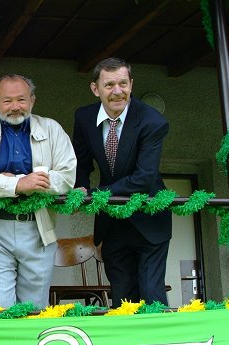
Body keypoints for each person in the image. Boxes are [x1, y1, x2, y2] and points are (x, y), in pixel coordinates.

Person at [0, 74, 76, 309]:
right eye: (7, 101)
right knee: (0, 308)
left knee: (34, 308)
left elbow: (67, 177)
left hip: (38, 228)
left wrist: (23, 181)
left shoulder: (52, 129)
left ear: (32, 100)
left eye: (21, 100)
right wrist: (18, 185)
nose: (14, 107)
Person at [73, 57, 171, 308]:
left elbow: (144, 177)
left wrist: (98, 194)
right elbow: (81, 163)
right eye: (109, 85)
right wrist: (80, 189)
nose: (117, 91)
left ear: (131, 84)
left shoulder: (152, 121)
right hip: (112, 223)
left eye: (123, 84)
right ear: (95, 89)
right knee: (122, 297)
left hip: (149, 219)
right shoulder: (84, 118)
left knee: (151, 294)